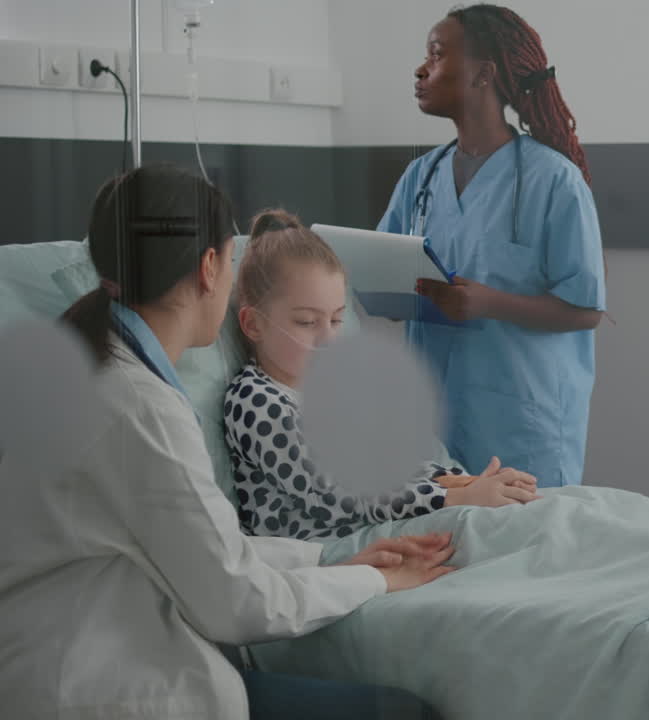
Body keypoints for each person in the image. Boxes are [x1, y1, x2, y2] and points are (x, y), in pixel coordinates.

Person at [0, 165, 452, 720]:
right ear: (210, 268)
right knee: (408, 713)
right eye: (234, 260)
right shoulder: (136, 405)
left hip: (86, 660)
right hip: (98, 689)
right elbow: (235, 601)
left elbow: (205, 545)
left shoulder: (106, 370)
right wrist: (372, 579)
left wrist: (332, 559)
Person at [378, 3, 606, 488]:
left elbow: (585, 309)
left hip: (521, 425)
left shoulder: (553, 181)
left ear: (483, 74)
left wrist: (486, 303)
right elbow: (381, 271)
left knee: (527, 554)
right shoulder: (421, 178)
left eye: (436, 56)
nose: (421, 69)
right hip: (433, 422)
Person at [227, 209, 539, 541]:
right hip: (331, 549)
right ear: (253, 324)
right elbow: (337, 496)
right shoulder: (257, 401)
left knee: (536, 512)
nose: (328, 339)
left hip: (387, 524)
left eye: (336, 321)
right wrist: (453, 497)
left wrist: (467, 482)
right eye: (306, 322)